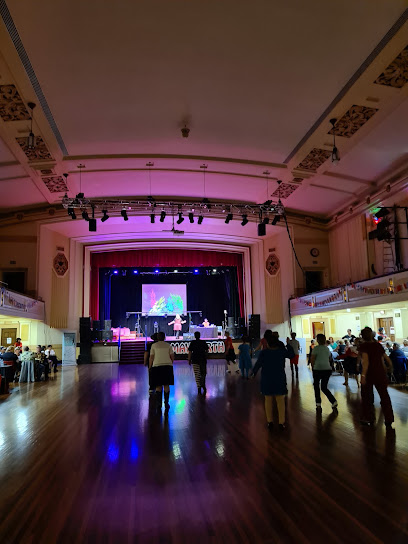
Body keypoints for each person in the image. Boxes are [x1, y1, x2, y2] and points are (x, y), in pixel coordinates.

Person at [251, 334, 292, 430]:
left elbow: (258, 364)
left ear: (268, 343)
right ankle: (281, 422)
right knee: (280, 401)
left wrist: (253, 373)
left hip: (267, 379)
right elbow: (291, 355)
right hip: (279, 378)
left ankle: (270, 422)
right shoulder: (281, 352)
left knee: (268, 400)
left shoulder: (264, 353)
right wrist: (288, 344)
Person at [359, 327, 394, 428]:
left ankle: (369, 418)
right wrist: (388, 368)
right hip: (380, 373)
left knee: (367, 397)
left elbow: (365, 362)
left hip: (370, 373)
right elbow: (386, 359)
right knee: (384, 396)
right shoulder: (378, 345)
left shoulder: (364, 346)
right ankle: (389, 419)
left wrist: (363, 375)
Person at [310, 334, 338, 412]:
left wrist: (313, 369)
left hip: (317, 369)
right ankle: (333, 401)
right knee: (324, 387)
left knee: (316, 386)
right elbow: (329, 359)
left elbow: (312, 360)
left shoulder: (315, 349)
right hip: (327, 369)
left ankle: (318, 404)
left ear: (318, 340)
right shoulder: (327, 349)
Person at [149, 331, 175, 413]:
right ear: (164, 337)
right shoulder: (168, 345)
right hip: (167, 366)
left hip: (157, 366)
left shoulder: (154, 346)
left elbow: (151, 357)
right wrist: (170, 363)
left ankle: (158, 404)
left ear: (157, 338)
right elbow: (172, 356)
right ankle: (166, 403)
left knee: (158, 386)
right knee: (166, 385)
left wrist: (150, 367)